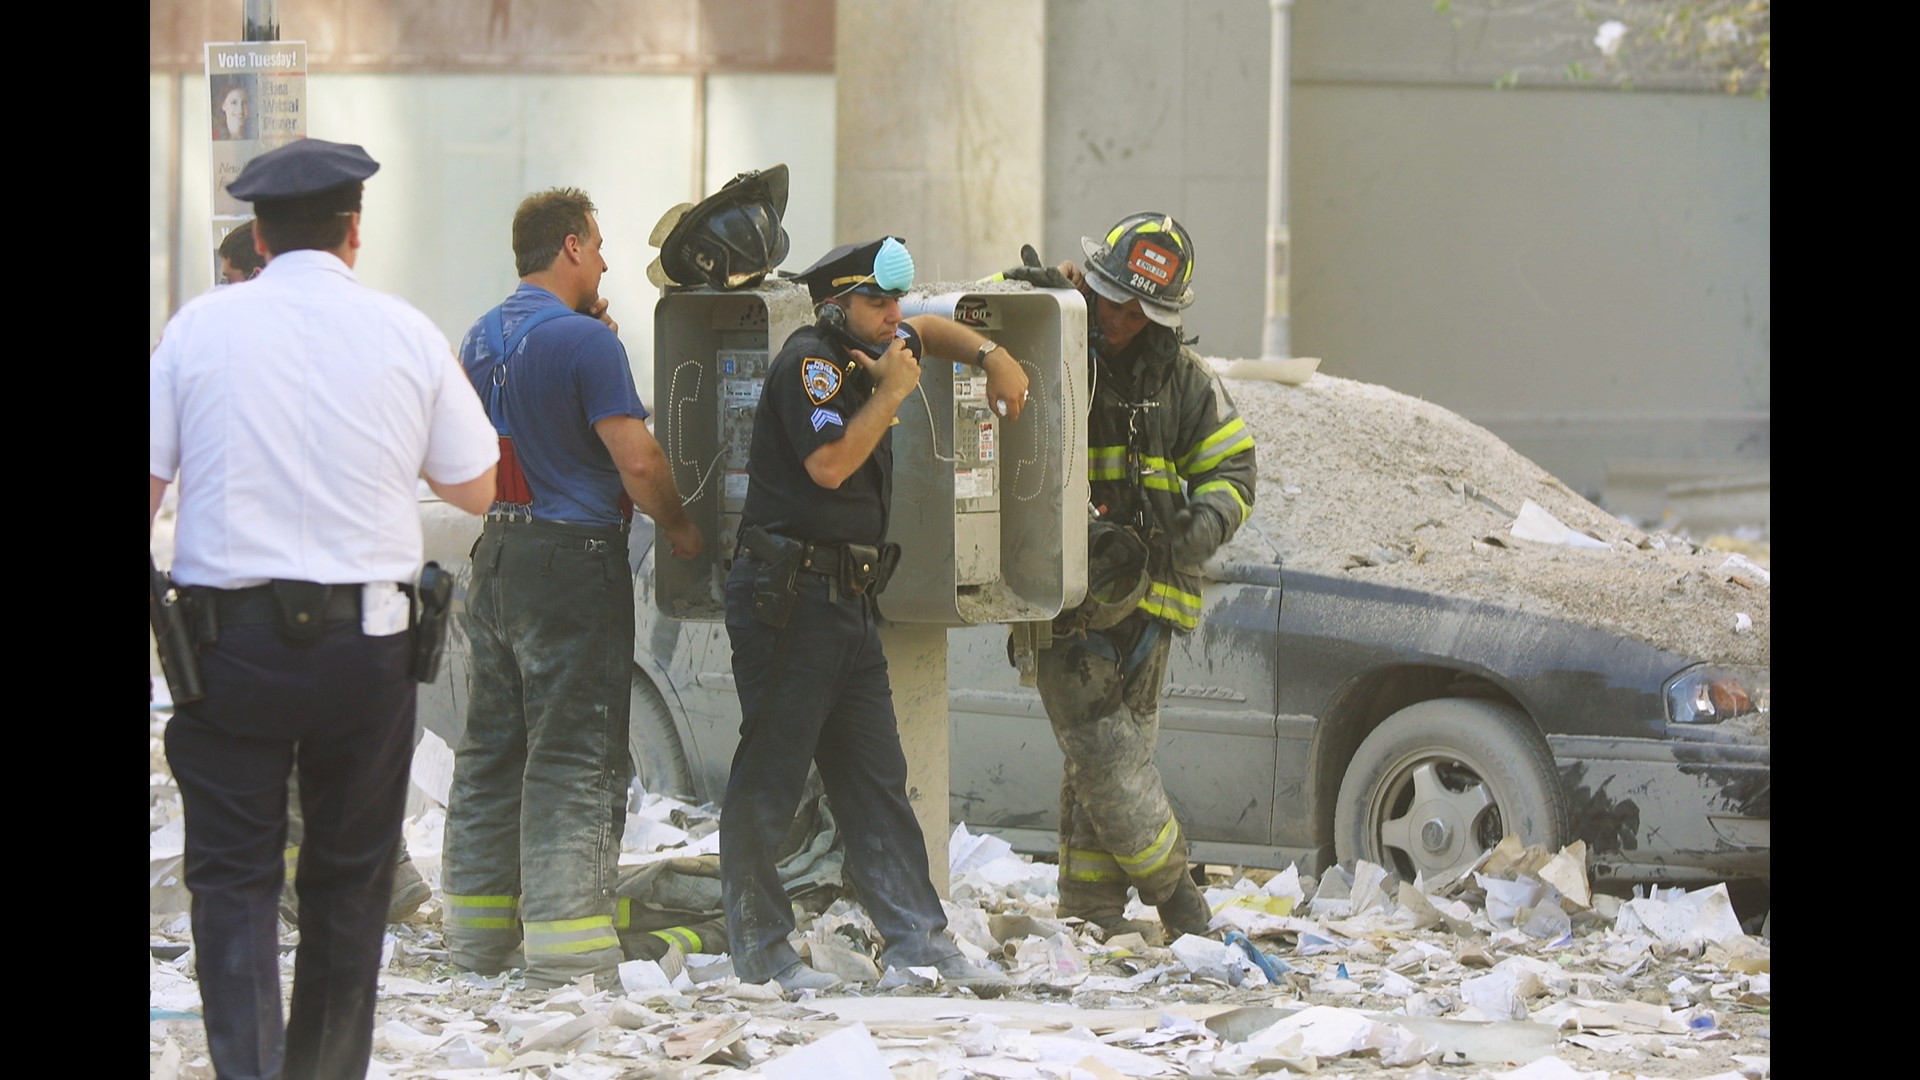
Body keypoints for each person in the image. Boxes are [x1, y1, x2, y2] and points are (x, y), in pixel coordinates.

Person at [149, 138, 499, 1080]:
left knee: (234, 879)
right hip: (368, 647)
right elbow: (474, 485)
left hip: (229, 649)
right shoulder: (404, 332)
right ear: (354, 231)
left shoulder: (194, 332)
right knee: (348, 883)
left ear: (257, 235)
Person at [719, 236, 1027, 996]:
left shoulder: (880, 340)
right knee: (772, 779)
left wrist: (991, 357)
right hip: (790, 599)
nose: (896, 316)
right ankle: (761, 950)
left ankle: (920, 941)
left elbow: (933, 329)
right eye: (880, 302)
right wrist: (891, 394)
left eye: (896, 301)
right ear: (837, 305)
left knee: (876, 779)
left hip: (847, 602)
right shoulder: (811, 367)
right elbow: (828, 467)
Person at [442, 187, 704, 990]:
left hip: (497, 558)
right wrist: (686, 530)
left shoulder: (480, 337)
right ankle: (566, 945)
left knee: (491, 750)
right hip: (572, 561)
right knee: (575, 753)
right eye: (596, 246)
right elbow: (638, 460)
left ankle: (476, 937)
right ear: (569, 248)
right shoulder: (588, 346)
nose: (605, 261)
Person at [1000, 213, 1257, 943]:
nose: (1115, 318)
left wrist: (1203, 525)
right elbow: (970, 311)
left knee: (1108, 768)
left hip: (1153, 597)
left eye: (1134, 309)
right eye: (1108, 297)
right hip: (1064, 596)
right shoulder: (1051, 335)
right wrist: (1033, 294)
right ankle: (1182, 902)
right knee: (1105, 754)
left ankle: (1091, 916)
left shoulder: (1184, 382)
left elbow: (1233, 467)